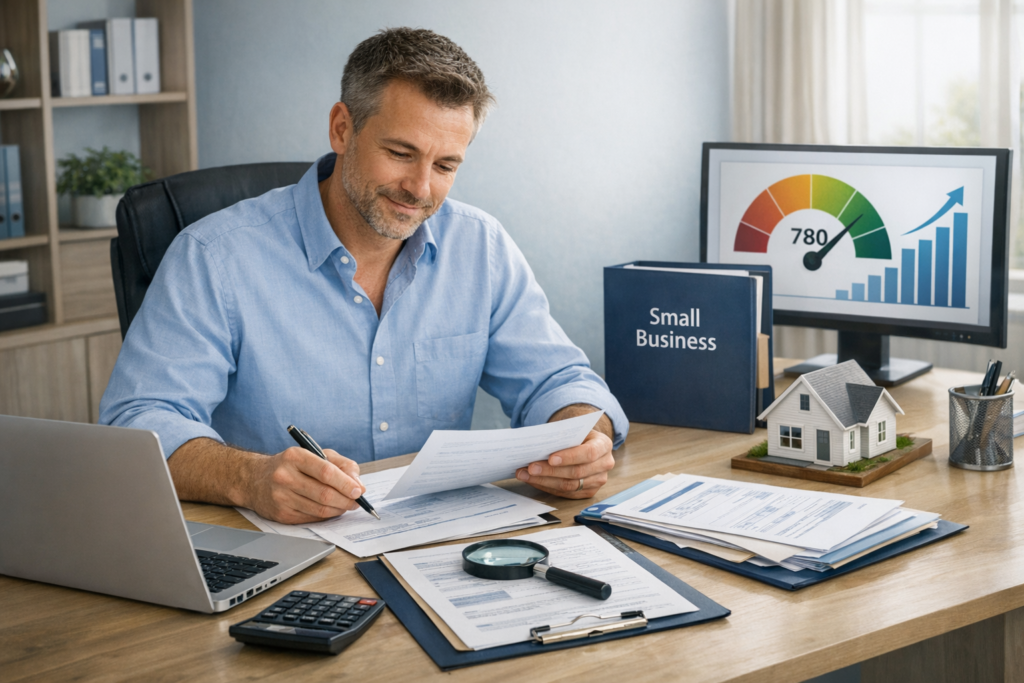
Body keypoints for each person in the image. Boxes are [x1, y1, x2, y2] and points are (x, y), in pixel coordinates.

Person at [100, 28, 628, 525]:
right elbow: (138, 422)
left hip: (435, 542)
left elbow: (560, 381)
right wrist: (251, 478)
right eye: (400, 154)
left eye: (445, 166)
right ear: (342, 128)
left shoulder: (480, 246)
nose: (420, 188)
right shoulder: (215, 256)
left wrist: (584, 436)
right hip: (276, 555)